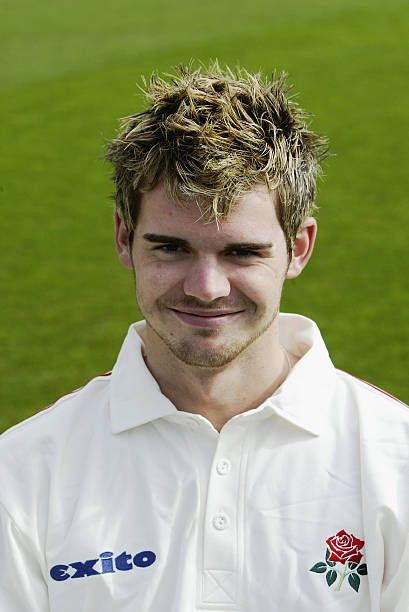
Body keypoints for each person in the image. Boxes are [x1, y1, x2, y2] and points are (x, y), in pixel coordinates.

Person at [0, 63, 407, 612]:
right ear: (125, 239)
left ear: (300, 247)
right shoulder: (22, 474)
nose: (207, 289)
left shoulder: (396, 461)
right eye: (171, 248)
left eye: (242, 252)